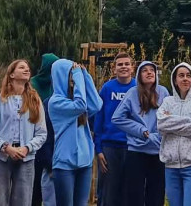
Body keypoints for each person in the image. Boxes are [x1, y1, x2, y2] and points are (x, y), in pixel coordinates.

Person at [0, 59, 49, 206]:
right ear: (12, 74)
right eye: (22, 67)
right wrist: (6, 147)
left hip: (26, 159)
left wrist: (27, 148)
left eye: (27, 68)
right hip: (1, 158)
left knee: (23, 201)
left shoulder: (35, 100)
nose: (26, 70)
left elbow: (42, 133)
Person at [111, 59, 168, 206]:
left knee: (156, 195)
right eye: (145, 70)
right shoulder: (132, 93)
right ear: (139, 75)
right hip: (136, 151)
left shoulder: (163, 92)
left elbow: (169, 119)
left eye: (152, 70)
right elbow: (117, 118)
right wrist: (141, 130)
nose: (149, 73)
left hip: (157, 151)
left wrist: (158, 136)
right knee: (134, 195)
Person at [47, 58, 102, 206]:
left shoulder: (77, 99)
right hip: (64, 164)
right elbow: (80, 105)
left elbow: (96, 105)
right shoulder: (55, 102)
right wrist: (77, 75)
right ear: (61, 76)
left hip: (85, 161)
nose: (73, 78)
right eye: (70, 74)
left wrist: (85, 76)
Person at [156, 62, 191, 206]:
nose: (185, 78)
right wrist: (188, 121)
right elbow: (161, 124)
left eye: (188, 75)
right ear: (175, 80)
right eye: (181, 75)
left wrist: (172, 122)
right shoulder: (167, 101)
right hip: (171, 166)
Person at [93, 52, 135, 206]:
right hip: (109, 147)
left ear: (132, 67)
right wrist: (98, 149)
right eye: (120, 64)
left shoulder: (137, 88)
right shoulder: (107, 88)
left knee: (128, 192)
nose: (124, 67)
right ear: (114, 68)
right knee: (108, 193)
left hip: (132, 146)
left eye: (127, 64)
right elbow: (99, 119)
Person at [31, 54, 60, 206]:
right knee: (35, 187)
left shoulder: (56, 86)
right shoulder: (32, 84)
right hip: (34, 138)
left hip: (51, 139)